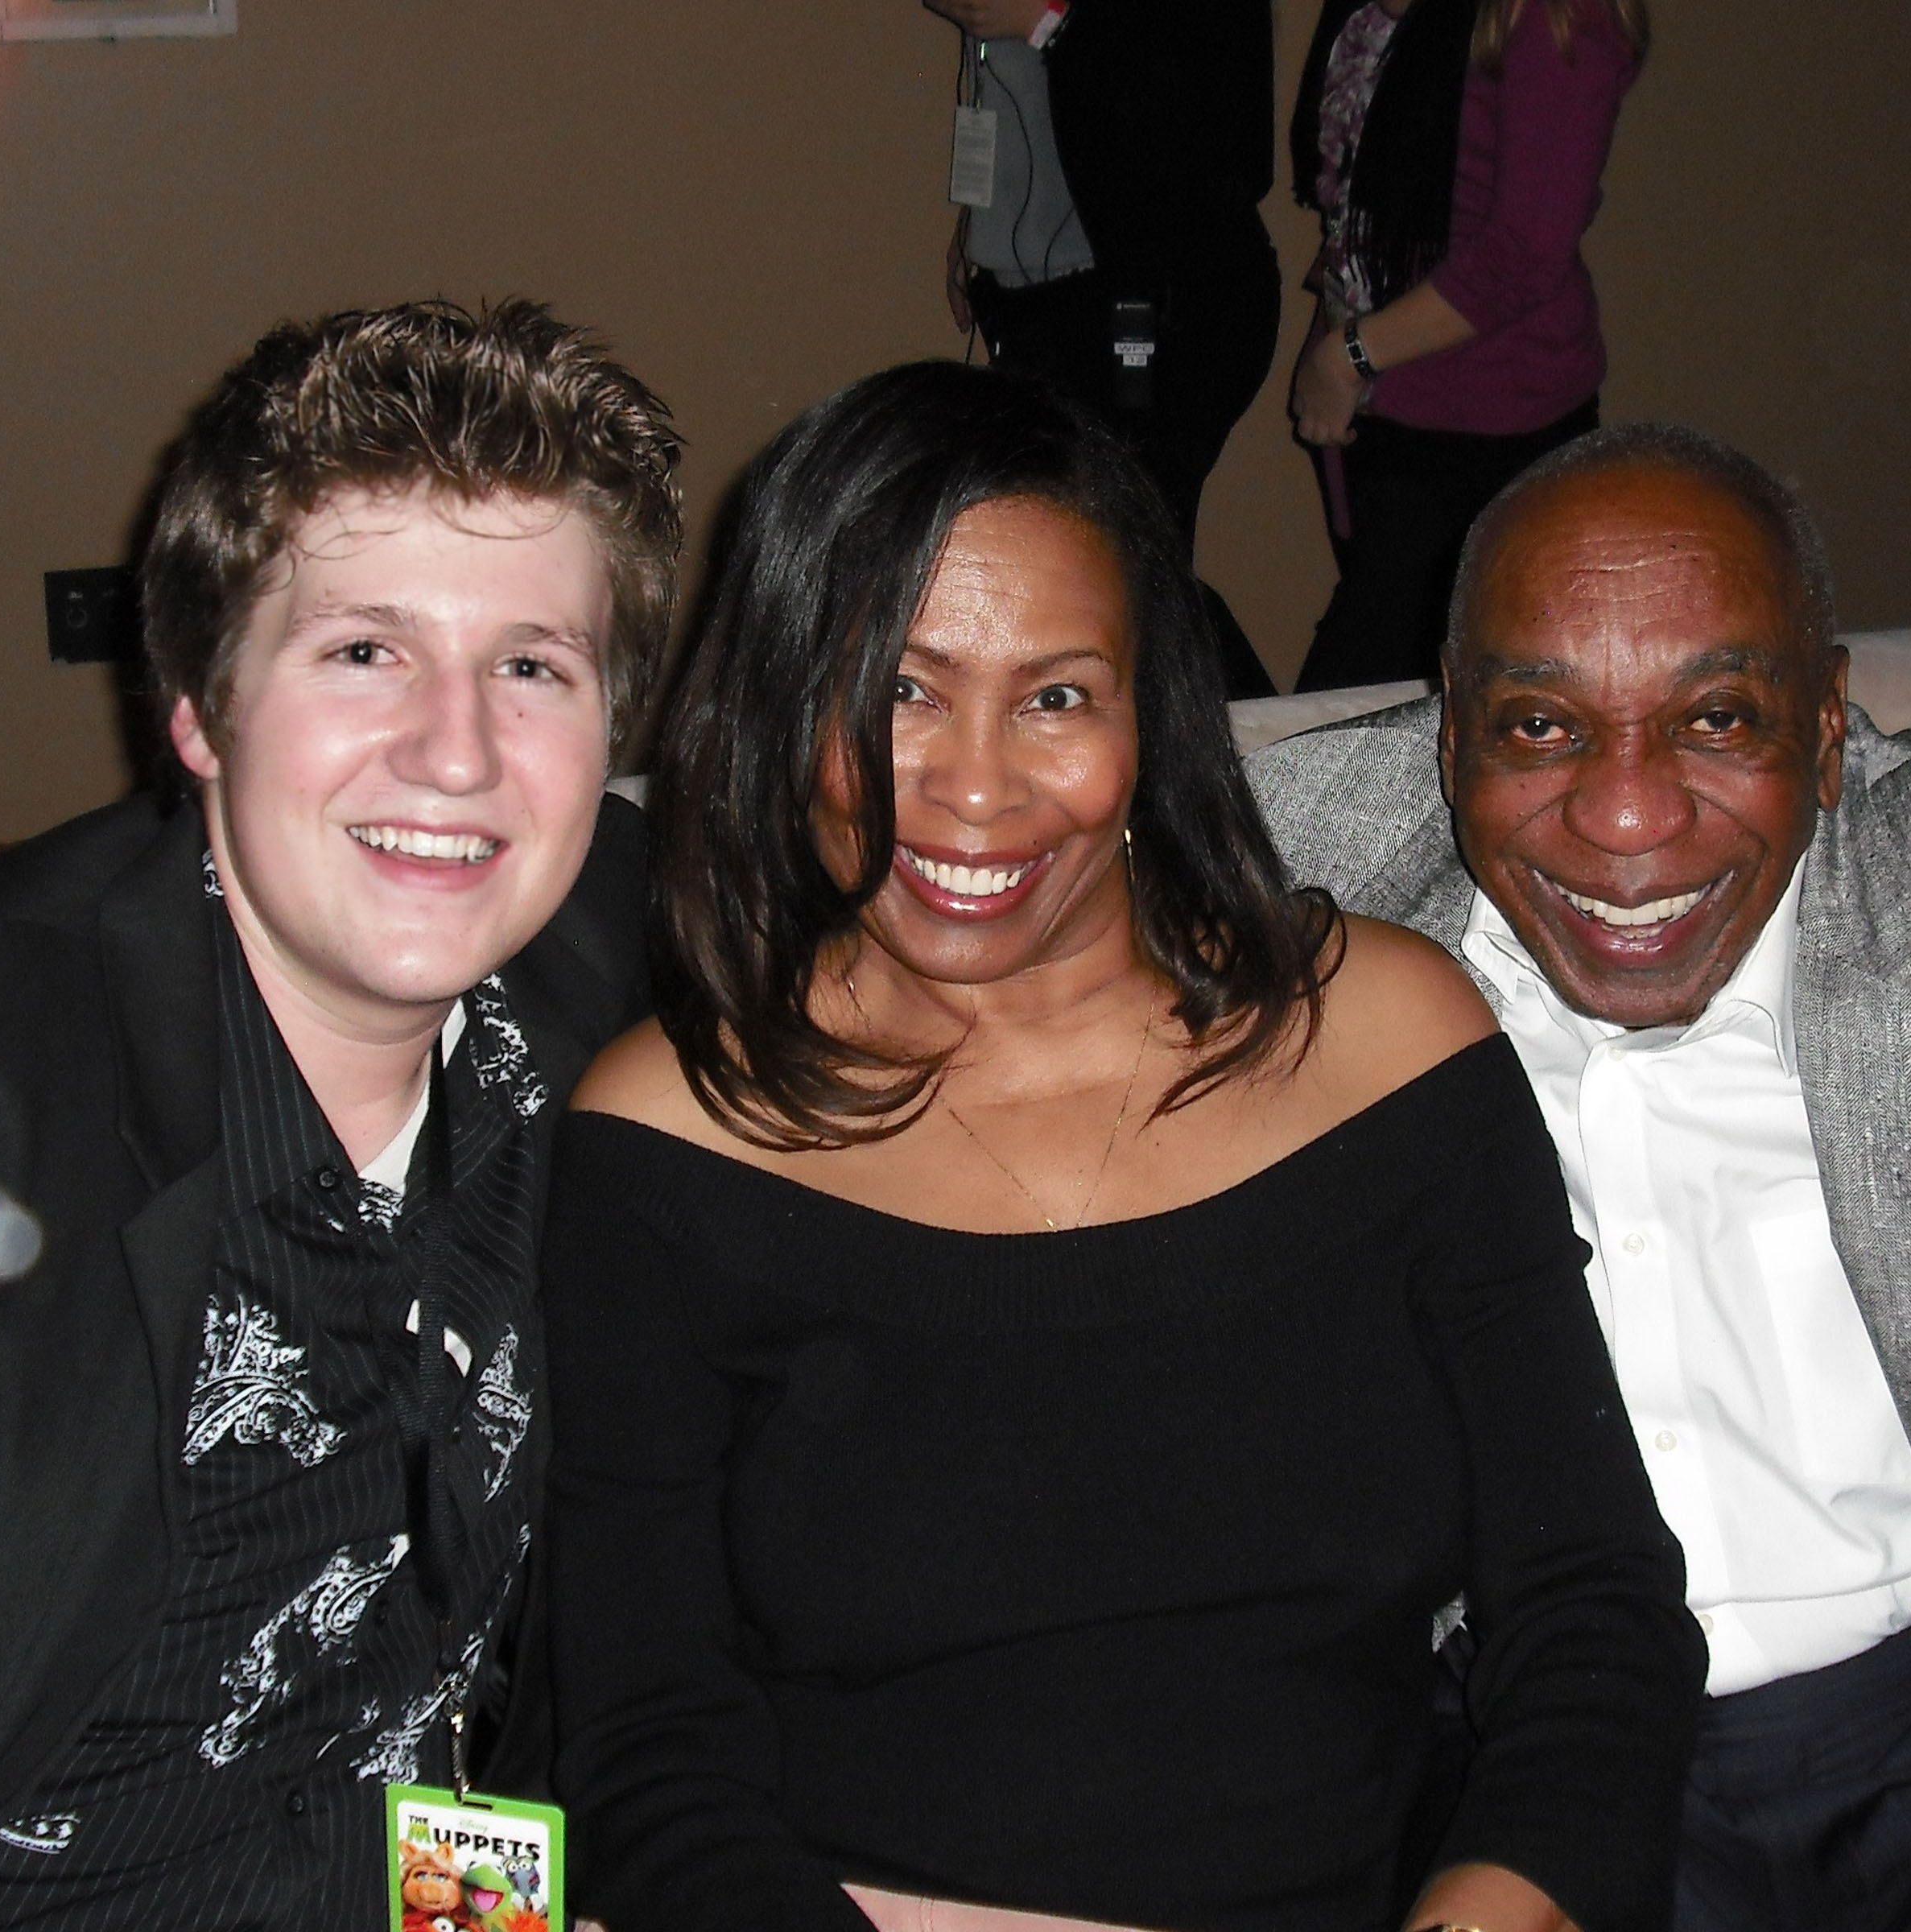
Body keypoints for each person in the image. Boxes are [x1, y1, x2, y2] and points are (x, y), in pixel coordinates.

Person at [544, 361, 1702, 1932]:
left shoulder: (1391, 1043)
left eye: (1056, 696)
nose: (971, 788)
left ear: (1151, 712)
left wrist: (1500, 1905)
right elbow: (646, 1747)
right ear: (782, 699)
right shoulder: (667, 1140)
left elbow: (1592, 1605)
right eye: (899, 688)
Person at [0, 299, 682, 1927]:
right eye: (363, 651)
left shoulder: (613, 966)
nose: (457, 752)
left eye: (532, 667)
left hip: (465, 1903)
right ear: (199, 704)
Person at [1246, 422, 1911, 1931]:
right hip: (1520, 1755)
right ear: (1449, 740)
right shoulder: (1278, 898)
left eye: (1720, 721)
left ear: (1827, 732)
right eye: (1542, 728)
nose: (1628, 821)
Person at [922, 0, 1282, 700]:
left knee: (1131, 575)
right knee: (1105, 570)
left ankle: (1252, 767)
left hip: (1159, 310)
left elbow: (1197, 140)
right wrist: (984, 225)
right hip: (1040, 305)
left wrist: (1047, 22)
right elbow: (1016, 101)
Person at [1286, 0, 1646, 692]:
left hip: (1492, 430)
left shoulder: (1553, 17)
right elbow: (1358, 207)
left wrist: (1349, 354)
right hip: (1383, 418)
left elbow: (1525, 253)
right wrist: (1332, 345)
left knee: (1352, 719)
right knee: (1390, 711)